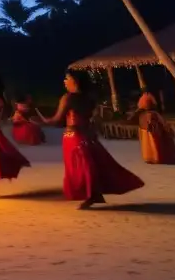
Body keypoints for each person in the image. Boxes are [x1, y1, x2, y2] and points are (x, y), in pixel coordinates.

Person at [37, 71, 144, 209]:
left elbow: (58, 120)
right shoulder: (89, 98)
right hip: (87, 135)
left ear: (75, 81)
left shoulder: (67, 98)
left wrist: (44, 121)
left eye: (67, 78)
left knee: (82, 167)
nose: (64, 81)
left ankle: (91, 195)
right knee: (91, 164)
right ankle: (93, 194)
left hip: (73, 136)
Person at [134, 88, 175, 165]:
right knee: (156, 142)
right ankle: (158, 158)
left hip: (147, 124)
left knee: (150, 141)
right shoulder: (153, 110)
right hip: (153, 126)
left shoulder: (143, 112)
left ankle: (151, 157)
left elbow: (141, 106)